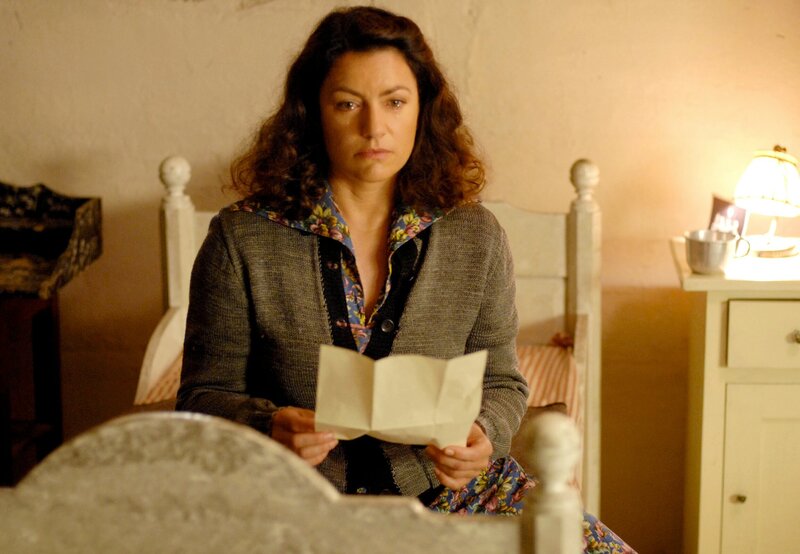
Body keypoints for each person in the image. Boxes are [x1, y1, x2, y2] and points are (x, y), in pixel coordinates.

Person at [176, 6, 634, 552]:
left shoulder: (475, 235)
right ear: (313, 112)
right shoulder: (242, 237)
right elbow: (202, 397)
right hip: (291, 506)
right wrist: (268, 426)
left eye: (395, 102)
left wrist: (484, 434)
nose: (374, 128)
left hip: (454, 497)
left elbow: (503, 382)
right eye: (348, 104)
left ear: (423, 108)